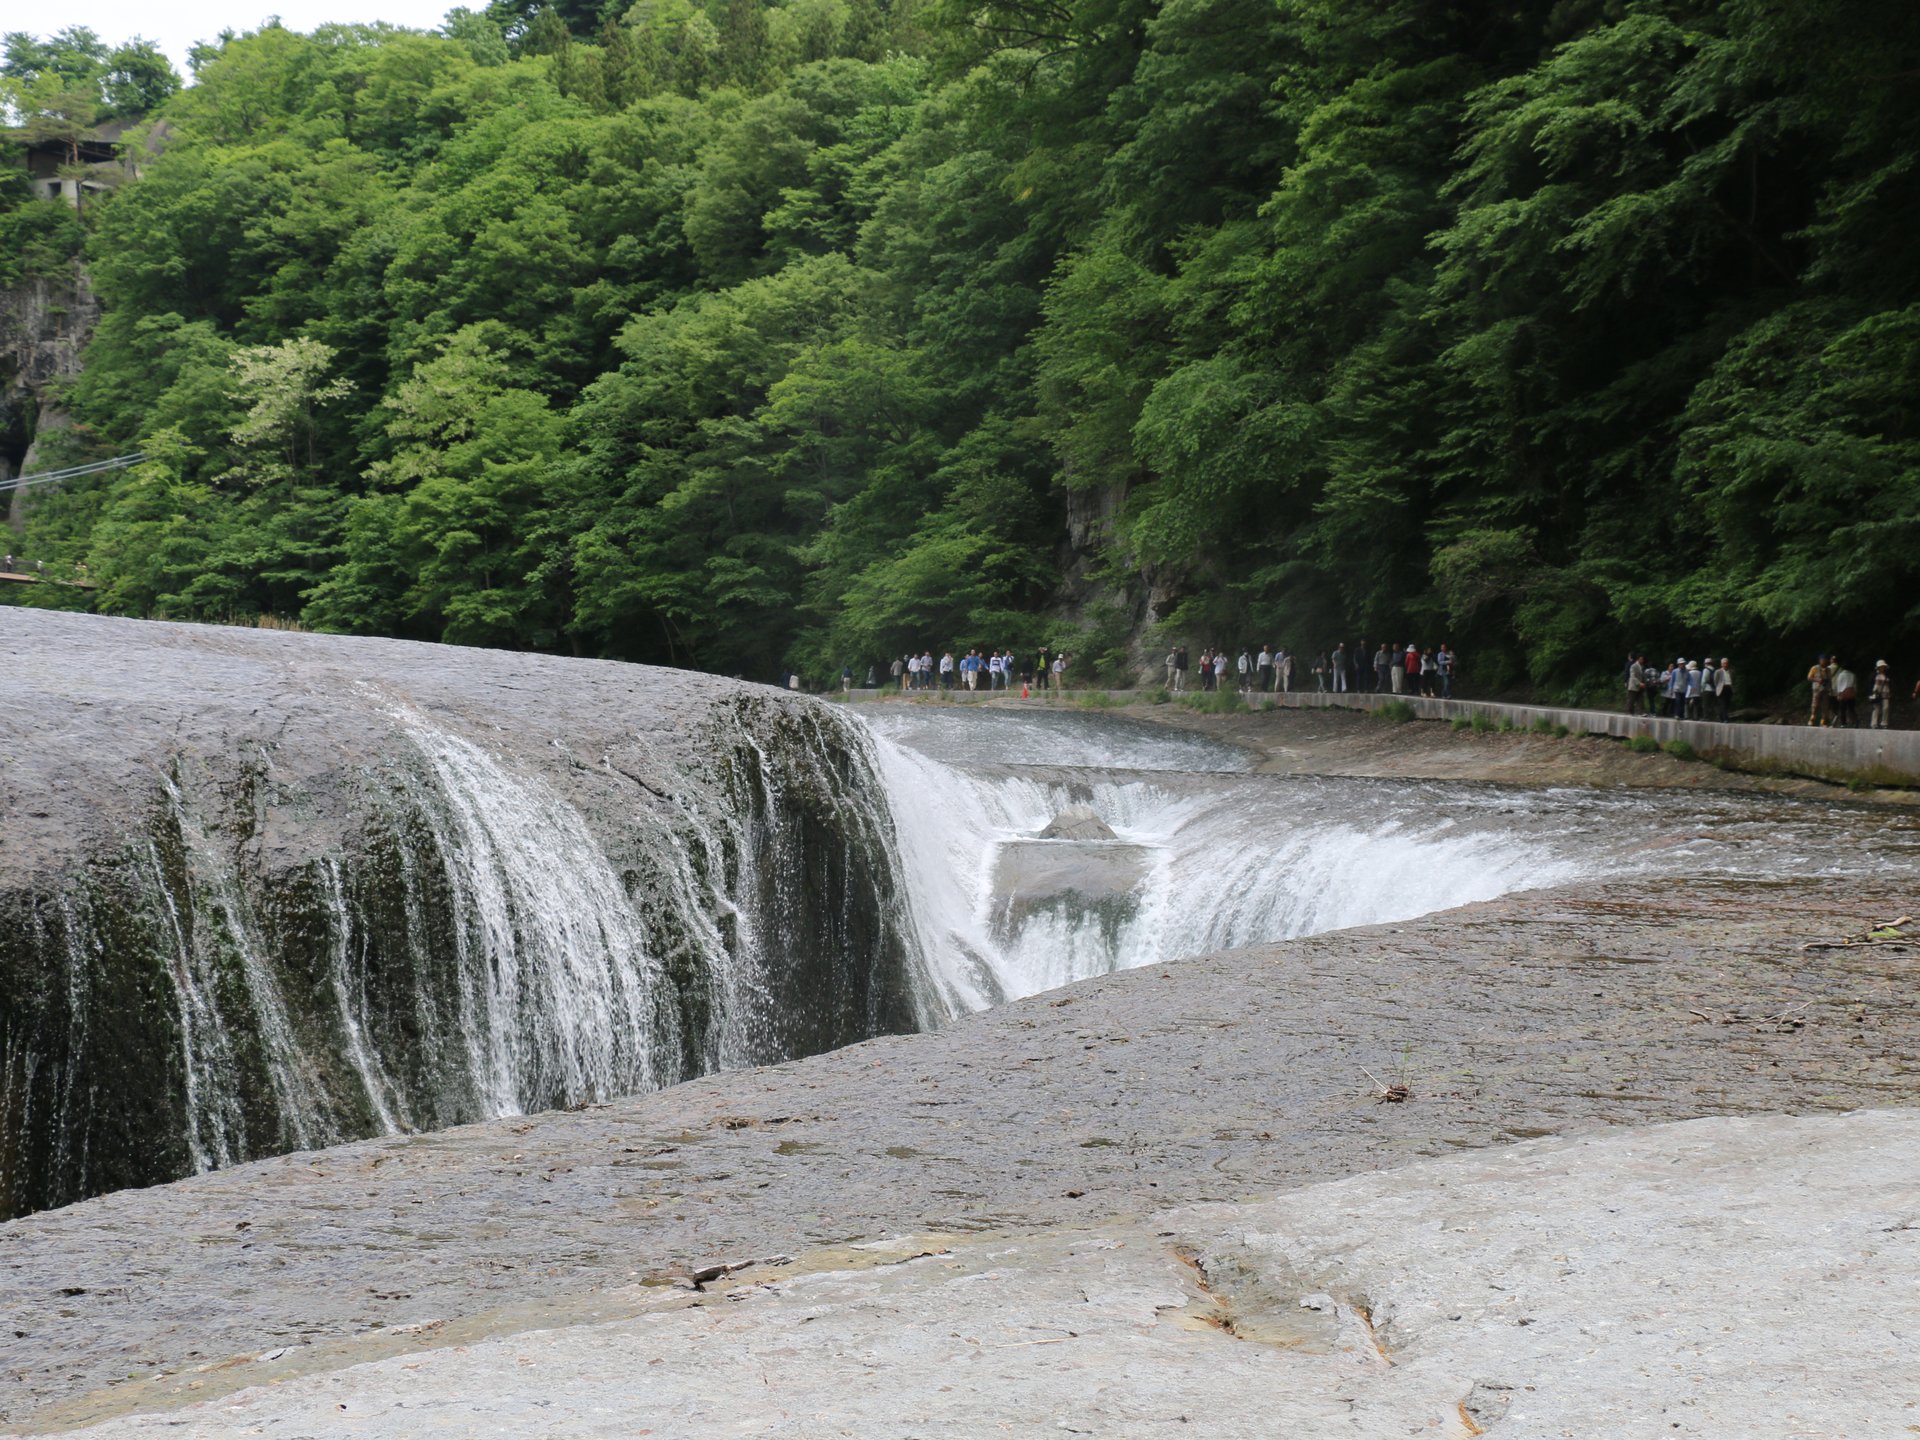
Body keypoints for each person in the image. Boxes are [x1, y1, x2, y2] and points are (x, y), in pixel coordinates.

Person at [1832, 660, 1858, 728]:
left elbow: (1839, 685)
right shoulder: (1853, 675)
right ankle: (1855, 722)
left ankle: (1843, 723)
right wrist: (1855, 693)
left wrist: (1838, 693)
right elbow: (1855, 685)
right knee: (1851, 709)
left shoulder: (1841, 675)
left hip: (1843, 693)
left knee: (1842, 709)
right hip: (1851, 693)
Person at [1807, 655, 1830, 726]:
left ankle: (1823, 721)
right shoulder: (1815, 668)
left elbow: (1830, 680)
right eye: (1822, 660)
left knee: (1825, 706)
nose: (1824, 661)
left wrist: (1830, 688)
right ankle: (1812, 718)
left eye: (1825, 660)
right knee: (1815, 705)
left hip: (1825, 689)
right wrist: (1817, 680)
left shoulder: (1828, 669)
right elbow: (1809, 677)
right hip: (1817, 689)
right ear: (1820, 660)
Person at [1871, 661, 1893, 729]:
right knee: (1876, 709)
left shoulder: (1887, 675)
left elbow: (1889, 685)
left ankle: (1884, 723)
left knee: (1886, 708)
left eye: (1883, 667)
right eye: (1881, 667)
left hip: (1886, 694)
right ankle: (1874, 724)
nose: (1882, 668)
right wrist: (1874, 693)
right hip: (1878, 694)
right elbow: (1875, 685)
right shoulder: (1875, 675)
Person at [1713, 658, 1733, 723]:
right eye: (1724, 663)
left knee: (1727, 704)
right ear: (1721, 664)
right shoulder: (1718, 671)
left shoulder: (1731, 671)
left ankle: (1722, 717)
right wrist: (1718, 687)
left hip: (1729, 688)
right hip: (1722, 688)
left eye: (1726, 663)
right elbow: (1715, 681)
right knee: (1723, 704)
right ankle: (1725, 718)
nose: (1725, 664)